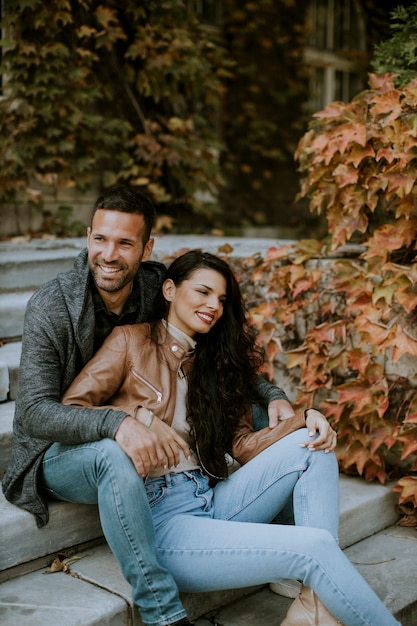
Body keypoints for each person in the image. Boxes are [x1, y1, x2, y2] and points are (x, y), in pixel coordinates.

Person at [2, 185, 335, 626]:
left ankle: (293, 549)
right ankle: (163, 613)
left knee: (258, 415)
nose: (109, 254)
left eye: (124, 243)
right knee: (111, 451)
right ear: (87, 237)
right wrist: (125, 421)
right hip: (60, 447)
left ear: (146, 249)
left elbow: (218, 358)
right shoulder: (53, 305)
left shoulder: (153, 285)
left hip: (138, 422)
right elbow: (34, 414)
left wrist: (274, 397)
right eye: (100, 239)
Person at [61, 250, 401, 626]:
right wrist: (138, 416)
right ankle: (320, 600)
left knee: (313, 444)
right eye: (203, 292)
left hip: (211, 498)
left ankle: (314, 601)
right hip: (163, 523)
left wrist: (305, 418)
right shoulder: (129, 342)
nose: (213, 306)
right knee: (315, 547)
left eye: (221, 299)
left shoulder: (217, 362)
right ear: (170, 290)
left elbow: (241, 446)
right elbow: (72, 408)